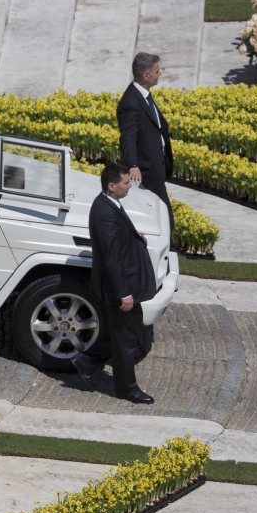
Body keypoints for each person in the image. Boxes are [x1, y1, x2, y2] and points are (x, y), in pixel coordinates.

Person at [72, 163, 156, 405]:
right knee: (127, 341)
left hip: (121, 287)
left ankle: (88, 362)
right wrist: (125, 294)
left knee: (125, 335)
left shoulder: (108, 204)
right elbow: (113, 258)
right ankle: (127, 389)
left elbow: (117, 240)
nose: (130, 186)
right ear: (112, 186)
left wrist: (132, 236)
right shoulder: (105, 212)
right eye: (126, 183)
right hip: (119, 289)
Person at [117, 52, 175, 233]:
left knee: (163, 215)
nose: (160, 74)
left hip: (157, 166)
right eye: (157, 71)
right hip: (146, 170)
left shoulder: (143, 95)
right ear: (146, 76)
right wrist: (133, 165)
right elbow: (128, 137)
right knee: (164, 218)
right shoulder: (131, 102)